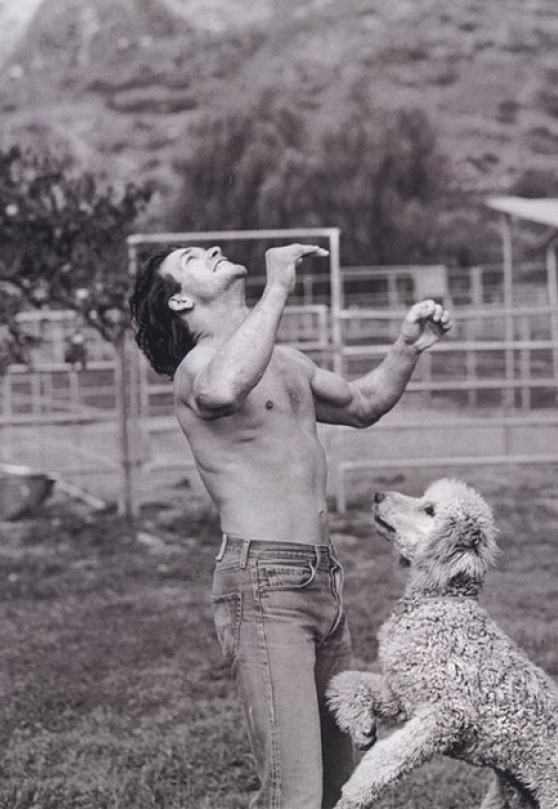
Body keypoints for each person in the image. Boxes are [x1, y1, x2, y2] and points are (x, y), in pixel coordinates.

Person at [129, 242, 451, 809]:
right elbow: (224, 391)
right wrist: (277, 287)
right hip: (263, 586)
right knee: (294, 795)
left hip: (323, 582)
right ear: (180, 299)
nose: (211, 248)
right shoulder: (198, 367)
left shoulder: (289, 360)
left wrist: (407, 347)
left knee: (339, 790)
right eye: (191, 257)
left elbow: (364, 403)